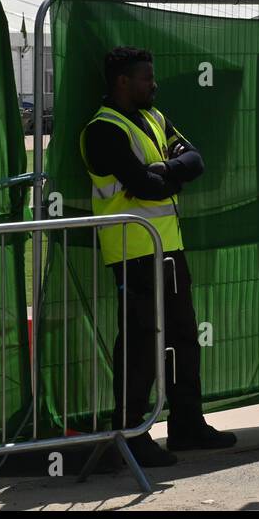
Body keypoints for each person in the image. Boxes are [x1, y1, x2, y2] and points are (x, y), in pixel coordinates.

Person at [81, 46, 237, 468]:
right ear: (123, 82)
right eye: (147, 77)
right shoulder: (103, 129)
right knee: (140, 343)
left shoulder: (155, 117)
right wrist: (167, 174)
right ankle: (132, 434)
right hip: (132, 250)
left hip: (168, 246)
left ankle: (187, 426)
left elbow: (195, 159)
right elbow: (141, 185)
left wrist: (165, 172)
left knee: (183, 337)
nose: (154, 84)